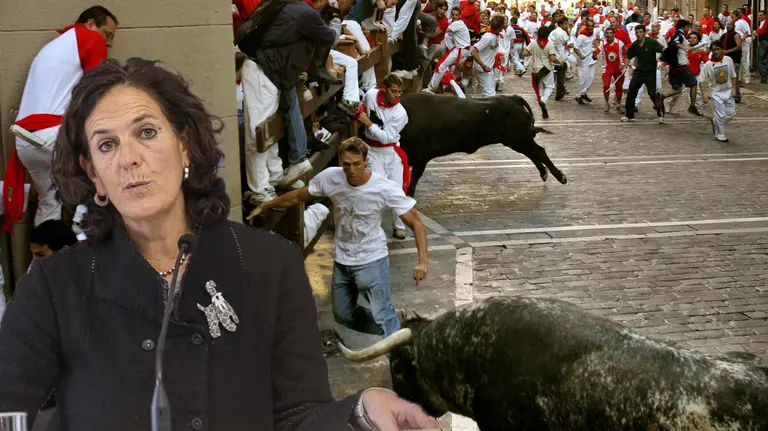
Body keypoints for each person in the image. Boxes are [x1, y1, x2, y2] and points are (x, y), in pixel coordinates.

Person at [0, 58, 439, 431]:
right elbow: (8, 408)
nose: (129, 158)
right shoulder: (55, 287)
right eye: (107, 144)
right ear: (93, 173)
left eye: (147, 132)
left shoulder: (269, 266)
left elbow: (299, 415)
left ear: (185, 145)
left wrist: (360, 415)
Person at [248, 137, 429, 338]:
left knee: (382, 316)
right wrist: (267, 204)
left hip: (372, 261)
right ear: (340, 162)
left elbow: (416, 222)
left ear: (365, 161)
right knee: (343, 315)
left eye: (356, 164)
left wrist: (422, 262)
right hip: (343, 260)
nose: (351, 170)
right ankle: (395, 329)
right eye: (346, 164)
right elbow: (299, 196)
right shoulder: (330, 178)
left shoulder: (383, 188)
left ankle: (394, 346)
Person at [4, 6, 117, 232]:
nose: (109, 44)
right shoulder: (90, 38)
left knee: (49, 205)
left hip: (25, 143)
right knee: (110, 153)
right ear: (91, 24)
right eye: (108, 34)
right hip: (51, 135)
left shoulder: (52, 48)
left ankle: (43, 265)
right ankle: (82, 223)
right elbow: (97, 90)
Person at [249, 0, 337, 188]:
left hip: (274, 69)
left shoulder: (285, 5)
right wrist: (335, 21)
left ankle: (276, 174)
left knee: (274, 120)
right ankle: (266, 183)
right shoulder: (306, 12)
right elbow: (330, 36)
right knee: (261, 129)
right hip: (267, 68)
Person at [621, 25, 665, 122]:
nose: (638, 34)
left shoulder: (652, 42)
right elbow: (628, 55)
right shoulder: (635, 44)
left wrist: (663, 60)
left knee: (652, 93)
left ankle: (660, 113)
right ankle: (629, 115)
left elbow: (662, 49)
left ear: (644, 33)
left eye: (640, 32)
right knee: (631, 91)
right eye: (637, 32)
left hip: (650, 72)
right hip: (639, 71)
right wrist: (625, 66)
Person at [700, 40, 738, 142]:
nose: (715, 51)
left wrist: (734, 88)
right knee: (720, 115)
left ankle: (716, 122)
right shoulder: (708, 64)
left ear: (721, 49)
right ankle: (720, 134)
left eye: (717, 49)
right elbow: (702, 81)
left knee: (731, 113)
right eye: (713, 50)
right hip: (716, 93)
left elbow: (733, 76)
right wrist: (704, 94)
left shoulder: (728, 60)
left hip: (728, 91)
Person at [524, 25, 560, 118]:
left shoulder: (533, 43)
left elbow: (525, 53)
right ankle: (543, 101)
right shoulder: (550, 44)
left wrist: (533, 53)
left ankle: (544, 109)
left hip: (536, 70)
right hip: (546, 69)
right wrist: (559, 61)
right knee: (550, 87)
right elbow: (552, 58)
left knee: (541, 89)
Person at [755, 10, 768, 84]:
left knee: (759, 60)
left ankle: (764, 78)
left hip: (764, 42)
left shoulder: (765, 22)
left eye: (761, 15)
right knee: (764, 60)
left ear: (765, 15)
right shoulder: (762, 23)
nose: (759, 17)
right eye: (758, 15)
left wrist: (755, 32)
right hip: (765, 42)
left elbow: (761, 31)